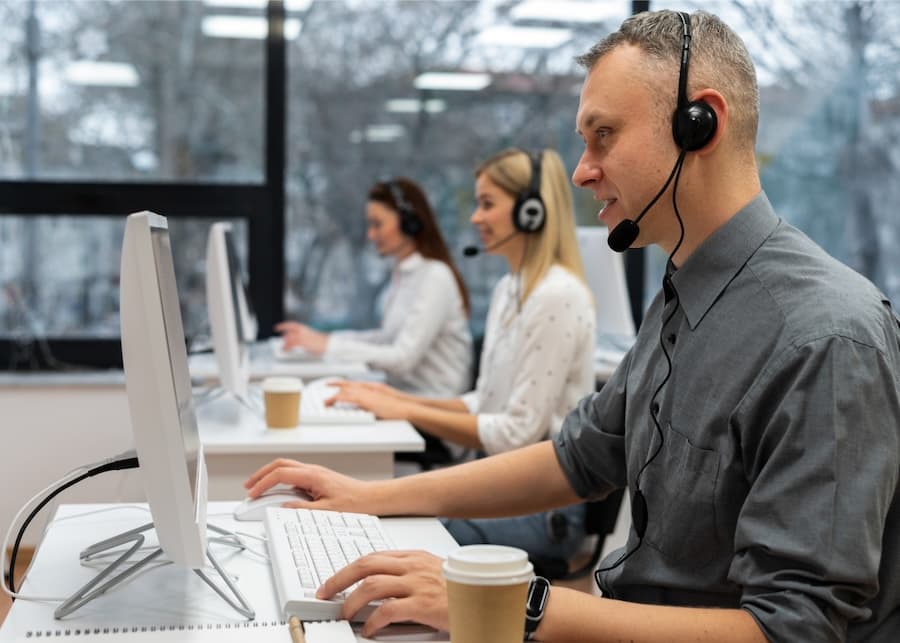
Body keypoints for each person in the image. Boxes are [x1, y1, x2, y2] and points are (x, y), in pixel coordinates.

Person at [245, 10, 900, 642]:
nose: (582, 170)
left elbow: (794, 628)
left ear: (699, 124)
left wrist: (516, 606)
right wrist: (370, 498)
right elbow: (576, 458)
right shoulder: (685, 294)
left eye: (603, 135)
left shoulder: (825, 338)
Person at [327, 148, 596, 560]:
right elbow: (482, 401)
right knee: (384, 515)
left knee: (395, 528)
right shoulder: (510, 290)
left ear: (531, 212)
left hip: (546, 509)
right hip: (503, 485)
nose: (474, 218)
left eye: (487, 204)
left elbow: (517, 434)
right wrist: (395, 399)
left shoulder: (557, 295)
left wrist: (406, 410)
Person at [276, 178, 472, 397]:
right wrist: (324, 340)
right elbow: (386, 339)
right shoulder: (404, 274)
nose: (370, 235)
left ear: (410, 223)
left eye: (378, 224)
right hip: (402, 396)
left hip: (432, 403)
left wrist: (329, 347)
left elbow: (403, 359)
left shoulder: (435, 276)